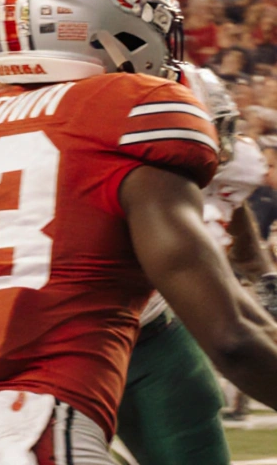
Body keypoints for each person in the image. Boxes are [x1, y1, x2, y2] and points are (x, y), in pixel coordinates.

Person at [0, 0, 277, 464]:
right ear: (104, 24)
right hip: (37, 430)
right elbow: (232, 337)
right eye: (149, 19)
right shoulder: (129, 109)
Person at [113, 65, 277, 464]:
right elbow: (232, 340)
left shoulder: (237, 165)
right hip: (92, 329)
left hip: (156, 328)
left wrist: (265, 277)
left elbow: (238, 222)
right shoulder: (135, 177)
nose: (219, 143)